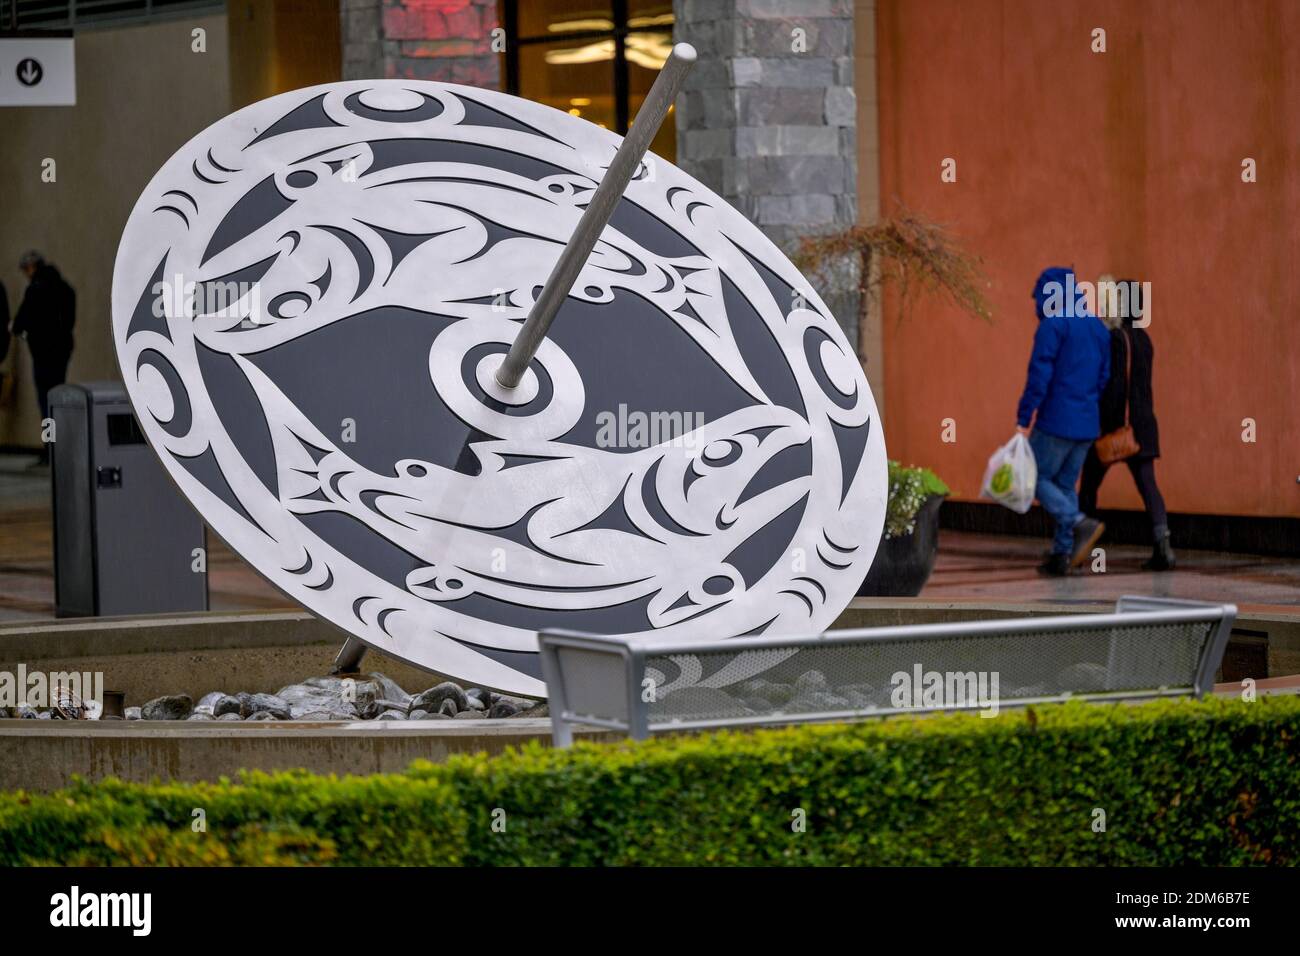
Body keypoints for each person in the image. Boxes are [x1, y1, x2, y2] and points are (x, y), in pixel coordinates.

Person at [1016, 267, 1111, 576]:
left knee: (1032, 477)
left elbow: (1039, 376)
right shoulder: (1096, 328)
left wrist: (1024, 416)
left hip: (1057, 420)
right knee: (1065, 484)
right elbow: (1103, 378)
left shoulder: (1053, 326)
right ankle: (1064, 553)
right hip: (1086, 423)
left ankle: (1077, 522)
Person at [1078, 280, 1174, 570]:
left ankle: (1078, 545)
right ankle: (1163, 547)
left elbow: (1116, 387)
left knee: (1089, 483)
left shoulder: (1117, 339)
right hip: (1144, 427)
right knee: (1149, 487)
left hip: (1120, 427)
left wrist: (1104, 424)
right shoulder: (1145, 339)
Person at [11, 251, 76, 457]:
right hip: (61, 352)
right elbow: (69, 320)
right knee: (57, 400)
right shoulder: (65, 288)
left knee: (46, 403)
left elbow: (21, 322)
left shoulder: (35, 290)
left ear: (32, 267)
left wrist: (21, 330)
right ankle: (59, 447)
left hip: (42, 355)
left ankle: (50, 448)